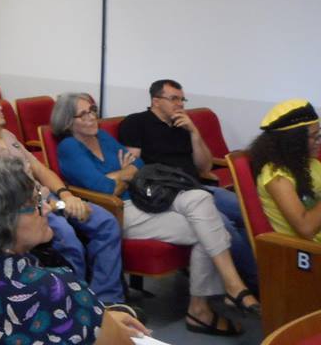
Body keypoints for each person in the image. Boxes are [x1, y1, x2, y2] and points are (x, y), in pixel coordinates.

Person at [53, 92, 260, 336]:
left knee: (202, 198)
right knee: (211, 227)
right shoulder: (69, 147)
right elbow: (103, 188)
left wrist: (124, 173)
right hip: (118, 209)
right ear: (68, 122)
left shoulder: (101, 137)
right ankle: (205, 307)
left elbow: (139, 165)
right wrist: (124, 173)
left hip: (144, 198)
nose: (91, 118)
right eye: (83, 114)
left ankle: (227, 288)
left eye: (93, 110)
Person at [0, 158, 150, 345]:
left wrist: (99, 315)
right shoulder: (52, 288)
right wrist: (104, 319)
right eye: (35, 203)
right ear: (2, 220)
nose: (47, 209)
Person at [0, 88, 126, 306]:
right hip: (18, 210)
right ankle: (76, 304)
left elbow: (41, 170)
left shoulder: (8, 136)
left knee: (106, 223)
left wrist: (67, 196)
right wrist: (54, 204)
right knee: (67, 238)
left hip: (46, 199)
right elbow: (4, 195)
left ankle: (107, 299)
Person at [118, 79, 256, 291]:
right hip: (169, 193)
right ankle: (254, 283)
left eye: (182, 99)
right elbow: (132, 164)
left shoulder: (183, 125)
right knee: (225, 224)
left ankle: (260, 270)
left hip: (198, 187)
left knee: (248, 210)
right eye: (174, 99)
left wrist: (194, 133)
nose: (180, 104)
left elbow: (205, 166)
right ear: (156, 101)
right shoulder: (136, 123)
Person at [248, 98, 321, 243]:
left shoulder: (310, 163)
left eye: (318, 134)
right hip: (309, 251)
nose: (318, 141)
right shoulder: (276, 176)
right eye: (313, 137)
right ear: (292, 142)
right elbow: (306, 229)